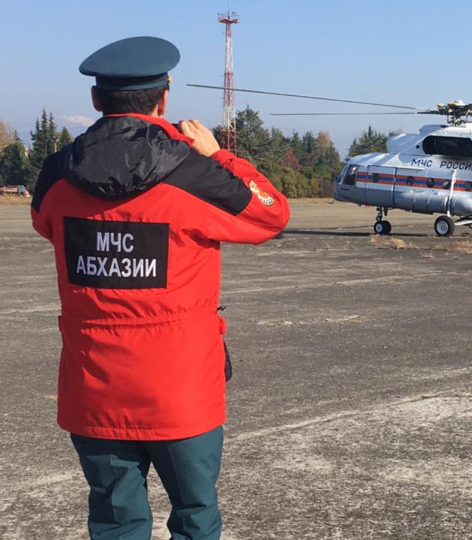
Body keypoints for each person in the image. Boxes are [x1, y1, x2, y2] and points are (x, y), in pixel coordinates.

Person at [31, 36, 290, 540]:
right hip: (181, 391)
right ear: (163, 98)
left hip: (94, 390)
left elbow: (45, 224)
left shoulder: (56, 174)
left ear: (95, 100)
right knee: (195, 517)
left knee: (114, 521)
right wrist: (221, 157)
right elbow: (271, 215)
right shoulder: (193, 173)